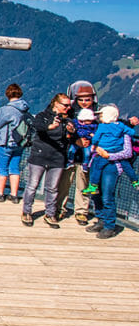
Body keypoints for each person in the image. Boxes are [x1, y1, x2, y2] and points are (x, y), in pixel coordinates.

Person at [21, 93, 74, 227]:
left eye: (69, 105)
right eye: (65, 105)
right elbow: (37, 126)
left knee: (53, 188)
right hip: (39, 155)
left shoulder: (68, 120)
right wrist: (49, 127)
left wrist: (71, 131)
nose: (68, 108)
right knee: (32, 186)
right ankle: (26, 211)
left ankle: (50, 213)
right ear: (56, 104)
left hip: (57, 158)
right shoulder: (42, 116)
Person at [83, 104, 134, 240]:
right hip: (98, 162)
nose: (99, 117)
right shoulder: (103, 129)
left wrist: (109, 156)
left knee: (107, 196)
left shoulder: (124, 133)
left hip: (112, 167)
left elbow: (128, 153)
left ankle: (109, 226)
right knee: (96, 193)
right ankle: (101, 219)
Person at [55, 80, 99, 222]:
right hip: (72, 153)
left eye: (88, 99)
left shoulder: (97, 115)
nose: (85, 102)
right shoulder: (70, 113)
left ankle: (81, 211)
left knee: (83, 184)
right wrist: (76, 140)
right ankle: (59, 208)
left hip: (85, 156)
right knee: (64, 183)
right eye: (82, 99)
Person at [0, 83, 31, 202]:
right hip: (20, 143)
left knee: (2, 168)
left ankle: (0, 193)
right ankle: (14, 194)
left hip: (5, 142)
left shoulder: (6, 109)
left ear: (8, 94)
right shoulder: (25, 108)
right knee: (14, 168)